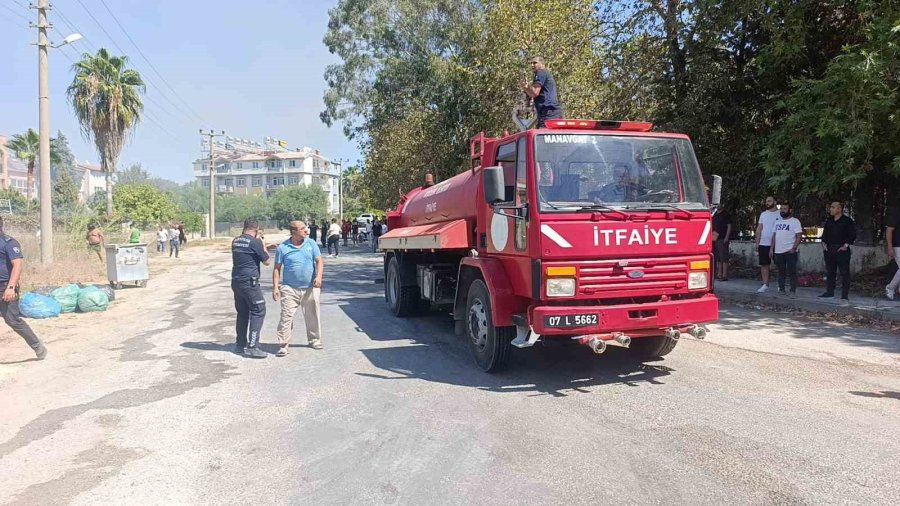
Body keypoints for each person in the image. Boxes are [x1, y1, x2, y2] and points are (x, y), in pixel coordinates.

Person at [273, 220, 324, 357]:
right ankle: (283, 345)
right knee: (286, 317)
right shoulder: (283, 248)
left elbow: (319, 261)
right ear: (294, 231)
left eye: (305, 228)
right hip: (289, 288)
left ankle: (314, 340)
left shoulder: (311, 243)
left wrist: (318, 277)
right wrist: (275, 287)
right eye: (302, 229)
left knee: (312, 315)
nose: (306, 231)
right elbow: (277, 268)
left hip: (310, 288)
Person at [0, 216, 47, 360]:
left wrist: (11, 287)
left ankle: (37, 346)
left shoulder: (9, 243)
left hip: (5, 286)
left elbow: (17, 265)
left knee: (12, 320)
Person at [231, 219, 271, 358]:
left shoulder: (236, 240)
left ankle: (240, 345)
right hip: (250, 282)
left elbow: (248, 254)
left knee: (242, 313)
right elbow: (267, 261)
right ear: (256, 229)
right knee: (258, 310)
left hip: (236, 281)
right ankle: (253, 346)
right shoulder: (255, 242)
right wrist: (263, 245)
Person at [819, 201, 856, 301]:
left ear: (839, 209)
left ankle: (844, 295)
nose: (830, 209)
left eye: (833, 207)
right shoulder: (829, 220)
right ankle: (829, 292)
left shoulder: (847, 221)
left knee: (844, 272)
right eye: (830, 207)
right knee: (830, 271)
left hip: (842, 249)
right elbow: (824, 234)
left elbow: (852, 235)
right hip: (829, 249)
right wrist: (823, 244)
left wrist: (845, 245)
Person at [769, 202, 803, 297]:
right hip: (778, 251)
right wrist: (771, 249)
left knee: (792, 271)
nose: (782, 210)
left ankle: (792, 291)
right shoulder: (777, 222)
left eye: (785, 208)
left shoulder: (795, 221)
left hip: (790, 251)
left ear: (790, 210)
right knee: (781, 272)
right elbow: (774, 236)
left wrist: (794, 248)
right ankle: (781, 290)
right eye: (781, 209)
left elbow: (799, 236)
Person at [522, 56, 562, 128]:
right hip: (551, 112)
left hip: (548, 111)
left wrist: (526, 88)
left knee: (543, 135)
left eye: (535, 63)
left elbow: (534, 93)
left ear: (542, 64)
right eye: (531, 63)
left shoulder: (541, 72)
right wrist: (527, 89)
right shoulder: (546, 73)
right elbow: (533, 94)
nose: (532, 65)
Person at [754, 196, 781, 293]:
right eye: (766, 201)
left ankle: (780, 285)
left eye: (769, 201)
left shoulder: (780, 214)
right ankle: (765, 284)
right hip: (763, 243)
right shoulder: (763, 214)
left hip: (777, 244)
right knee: (764, 264)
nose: (767, 203)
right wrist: (757, 242)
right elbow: (759, 228)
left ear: (775, 201)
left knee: (779, 264)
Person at [711, 206, 732, 281]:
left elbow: (729, 226)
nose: (718, 206)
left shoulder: (726, 214)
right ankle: (719, 274)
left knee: (724, 257)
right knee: (718, 257)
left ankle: (725, 275)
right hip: (714, 239)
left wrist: (726, 237)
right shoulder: (715, 214)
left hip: (722, 238)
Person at [886, 206, 900, 300]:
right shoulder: (897, 212)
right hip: (898, 245)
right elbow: (889, 230)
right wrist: (889, 247)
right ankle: (890, 287)